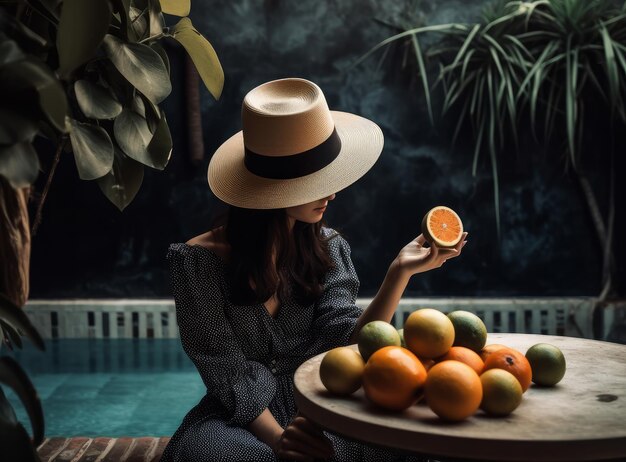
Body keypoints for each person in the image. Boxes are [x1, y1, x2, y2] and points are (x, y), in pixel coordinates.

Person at [161, 78, 467, 462]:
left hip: (327, 401)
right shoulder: (196, 263)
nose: (332, 192)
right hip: (242, 417)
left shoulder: (329, 246)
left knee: (410, 443)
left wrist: (398, 273)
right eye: (315, 181)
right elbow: (225, 370)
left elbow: (350, 346)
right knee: (212, 455)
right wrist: (281, 441)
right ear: (275, 188)